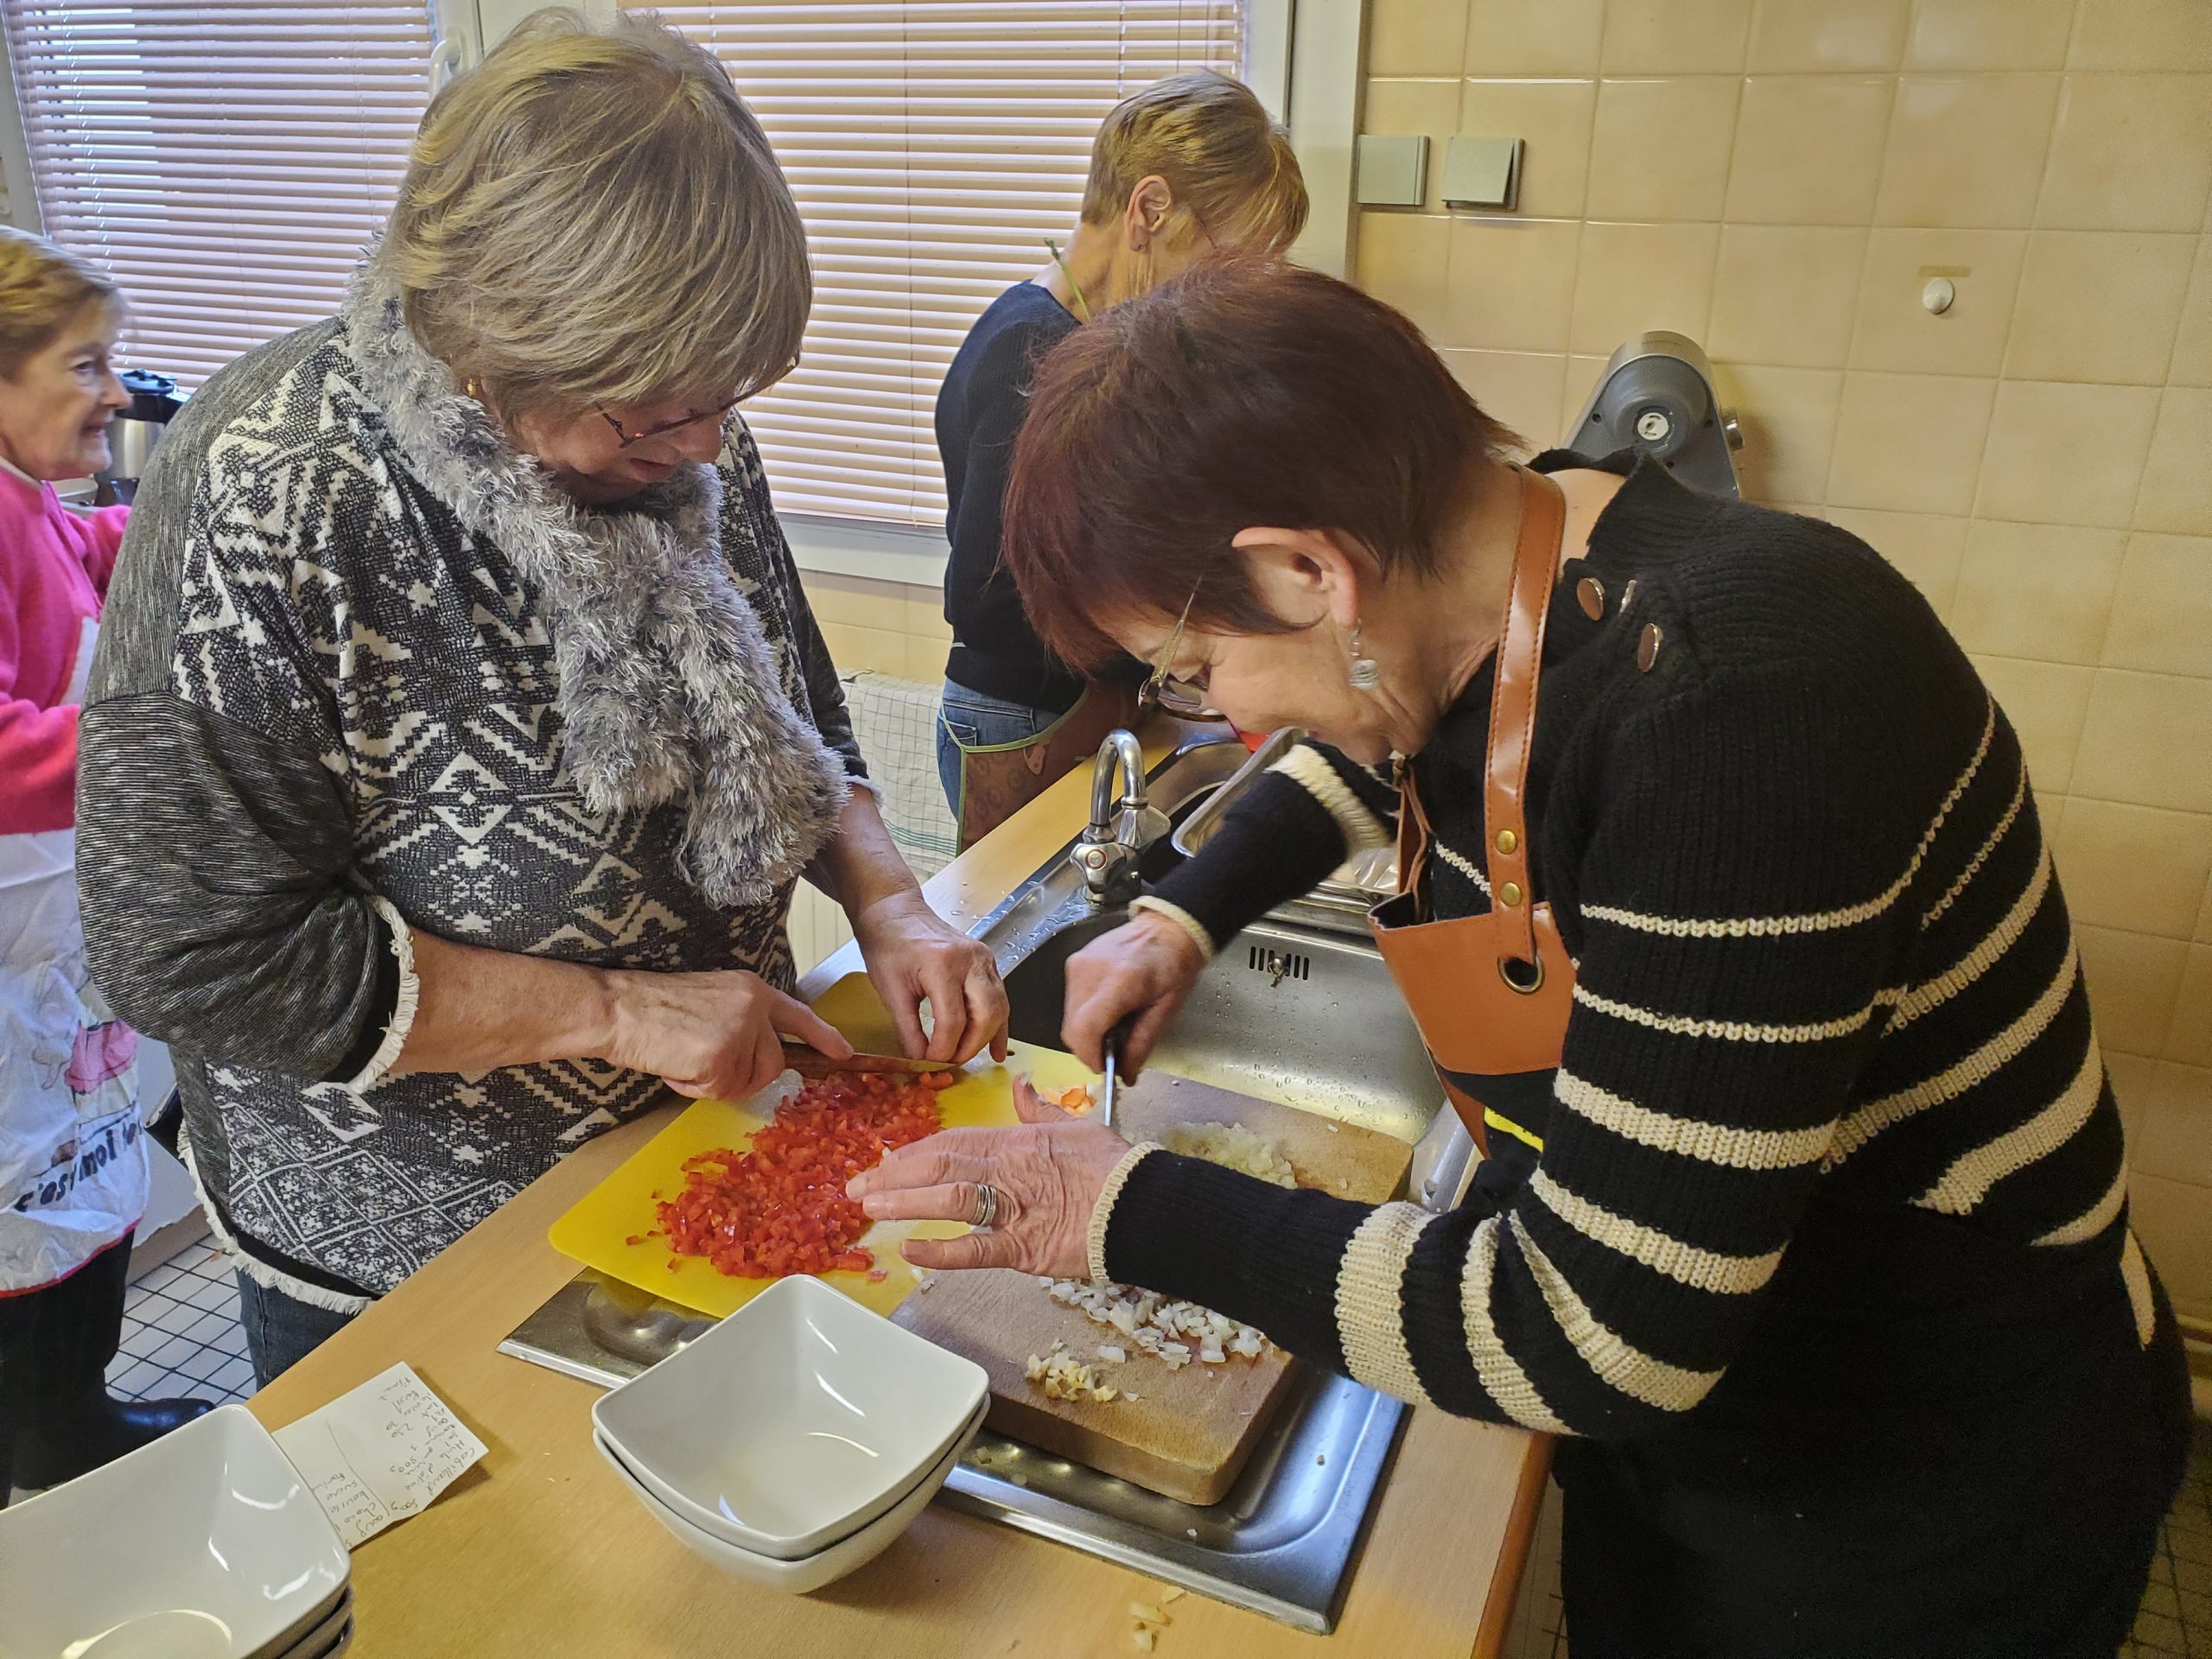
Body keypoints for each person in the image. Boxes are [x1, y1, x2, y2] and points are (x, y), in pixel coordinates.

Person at [849, 262, 2193, 1656]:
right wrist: (1186, 909)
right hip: (1711, 1407)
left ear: (1313, 570)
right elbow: (1392, 732)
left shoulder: (1740, 709)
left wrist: (1125, 1211)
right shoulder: (1506, 561)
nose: (1212, 708)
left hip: (1911, 1470)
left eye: (1191, 667)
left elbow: (1603, 1336)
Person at [72, 11, 1007, 1388]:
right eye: (651, 415)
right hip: (406, 1248)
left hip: (690, 1147)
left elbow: (794, 698)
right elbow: (186, 950)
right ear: (486, 348)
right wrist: (620, 1014)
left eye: (725, 401)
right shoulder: (265, 480)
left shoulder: (675, 434)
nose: (705, 446)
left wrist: (888, 898)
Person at [935, 70, 1306, 847]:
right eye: (1227, 260)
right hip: (1027, 720)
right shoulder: (1031, 353)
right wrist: (1170, 636)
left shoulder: (1101, 345)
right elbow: (988, 600)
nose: (1229, 291)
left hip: (1082, 703)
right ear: (1149, 209)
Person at [0, 228, 210, 1495]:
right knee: (32, 1191)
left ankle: (65, 1419)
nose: (115, 393)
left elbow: (79, 561)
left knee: (81, 1160)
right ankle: (51, 1441)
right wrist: (167, 737)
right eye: (84, 366)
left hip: (43, 937)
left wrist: (194, 513)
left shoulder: (22, 500)